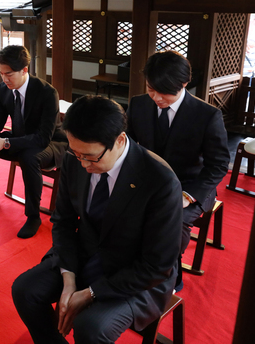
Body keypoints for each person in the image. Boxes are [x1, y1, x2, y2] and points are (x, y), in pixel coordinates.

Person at [12, 95, 182, 343]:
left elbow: (157, 265)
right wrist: (68, 278)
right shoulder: (76, 157)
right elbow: (64, 221)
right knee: (25, 290)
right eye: (76, 153)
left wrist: (92, 293)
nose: (83, 164)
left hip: (134, 274)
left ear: (120, 140)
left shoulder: (159, 181)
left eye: (91, 157)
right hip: (87, 254)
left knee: (91, 327)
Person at [126, 50, 230, 290]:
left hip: (190, 186)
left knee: (174, 223)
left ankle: (169, 274)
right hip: (150, 180)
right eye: (151, 89)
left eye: (164, 92)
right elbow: (128, 145)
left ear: (184, 83)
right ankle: (133, 264)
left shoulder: (207, 115)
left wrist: (188, 195)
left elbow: (218, 165)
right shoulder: (139, 104)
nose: (156, 97)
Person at [0, 45, 67, 238]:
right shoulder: (4, 88)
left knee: (29, 157)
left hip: (52, 143)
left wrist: (4, 143)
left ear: (24, 70)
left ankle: (33, 216)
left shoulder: (47, 92)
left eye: (9, 74)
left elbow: (42, 138)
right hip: (22, 137)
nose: (4, 79)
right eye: (1, 73)